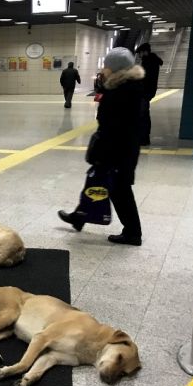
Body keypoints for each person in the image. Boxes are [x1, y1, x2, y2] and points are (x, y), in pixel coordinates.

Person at [58, 47, 145, 246]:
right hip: (121, 149)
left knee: (119, 190)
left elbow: (113, 127)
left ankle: (133, 233)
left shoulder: (122, 91)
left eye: (106, 65)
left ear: (115, 68)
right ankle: (79, 218)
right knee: (98, 182)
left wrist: (102, 154)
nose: (103, 69)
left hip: (117, 151)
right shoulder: (126, 87)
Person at [135, 43, 163, 146]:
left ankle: (143, 138)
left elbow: (146, 78)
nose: (139, 56)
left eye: (140, 53)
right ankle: (144, 137)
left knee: (142, 115)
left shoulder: (149, 62)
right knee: (144, 115)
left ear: (144, 52)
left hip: (145, 92)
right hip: (147, 91)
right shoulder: (152, 61)